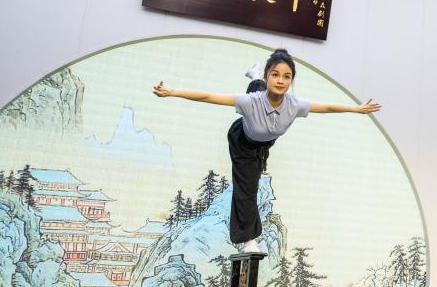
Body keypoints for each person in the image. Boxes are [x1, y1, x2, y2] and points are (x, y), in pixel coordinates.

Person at [153, 48, 381, 253]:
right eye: (275, 75)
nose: (281, 80)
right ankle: (247, 239)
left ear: (291, 80)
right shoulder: (250, 102)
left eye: (286, 77)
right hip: (243, 141)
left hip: (265, 141)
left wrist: (356, 108)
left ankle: (253, 77)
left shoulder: (294, 104)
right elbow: (209, 96)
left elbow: (327, 107)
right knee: (247, 188)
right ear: (268, 76)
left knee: (262, 93)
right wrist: (172, 92)